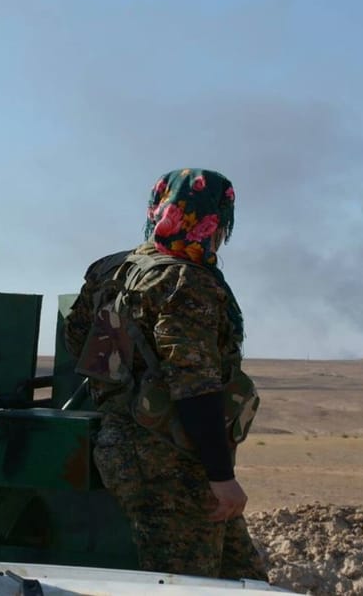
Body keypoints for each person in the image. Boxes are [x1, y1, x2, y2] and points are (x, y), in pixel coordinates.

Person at [64, 168, 267, 581]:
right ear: (215, 220)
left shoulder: (112, 269)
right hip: (169, 462)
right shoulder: (185, 281)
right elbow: (193, 383)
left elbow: (77, 340)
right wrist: (221, 476)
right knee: (187, 585)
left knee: (243, 580)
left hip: (127, 447)